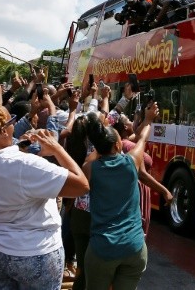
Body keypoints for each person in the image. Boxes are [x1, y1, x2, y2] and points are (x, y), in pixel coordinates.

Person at [0, 101, 89, 290]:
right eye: (11, 121)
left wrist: (23, 148)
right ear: (3, 131)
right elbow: (81, 185)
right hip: (34, 252)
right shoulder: (24, 165)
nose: (14, 125)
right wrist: (57, 148)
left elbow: (4, 163)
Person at [82, 102, 159, 290]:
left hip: (102, 250)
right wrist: (148, 119)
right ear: (118, 145)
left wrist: (97, 148)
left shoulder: (90, 169)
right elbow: (142, 139)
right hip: (135, 248)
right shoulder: (131, 161)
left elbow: (88, 161)